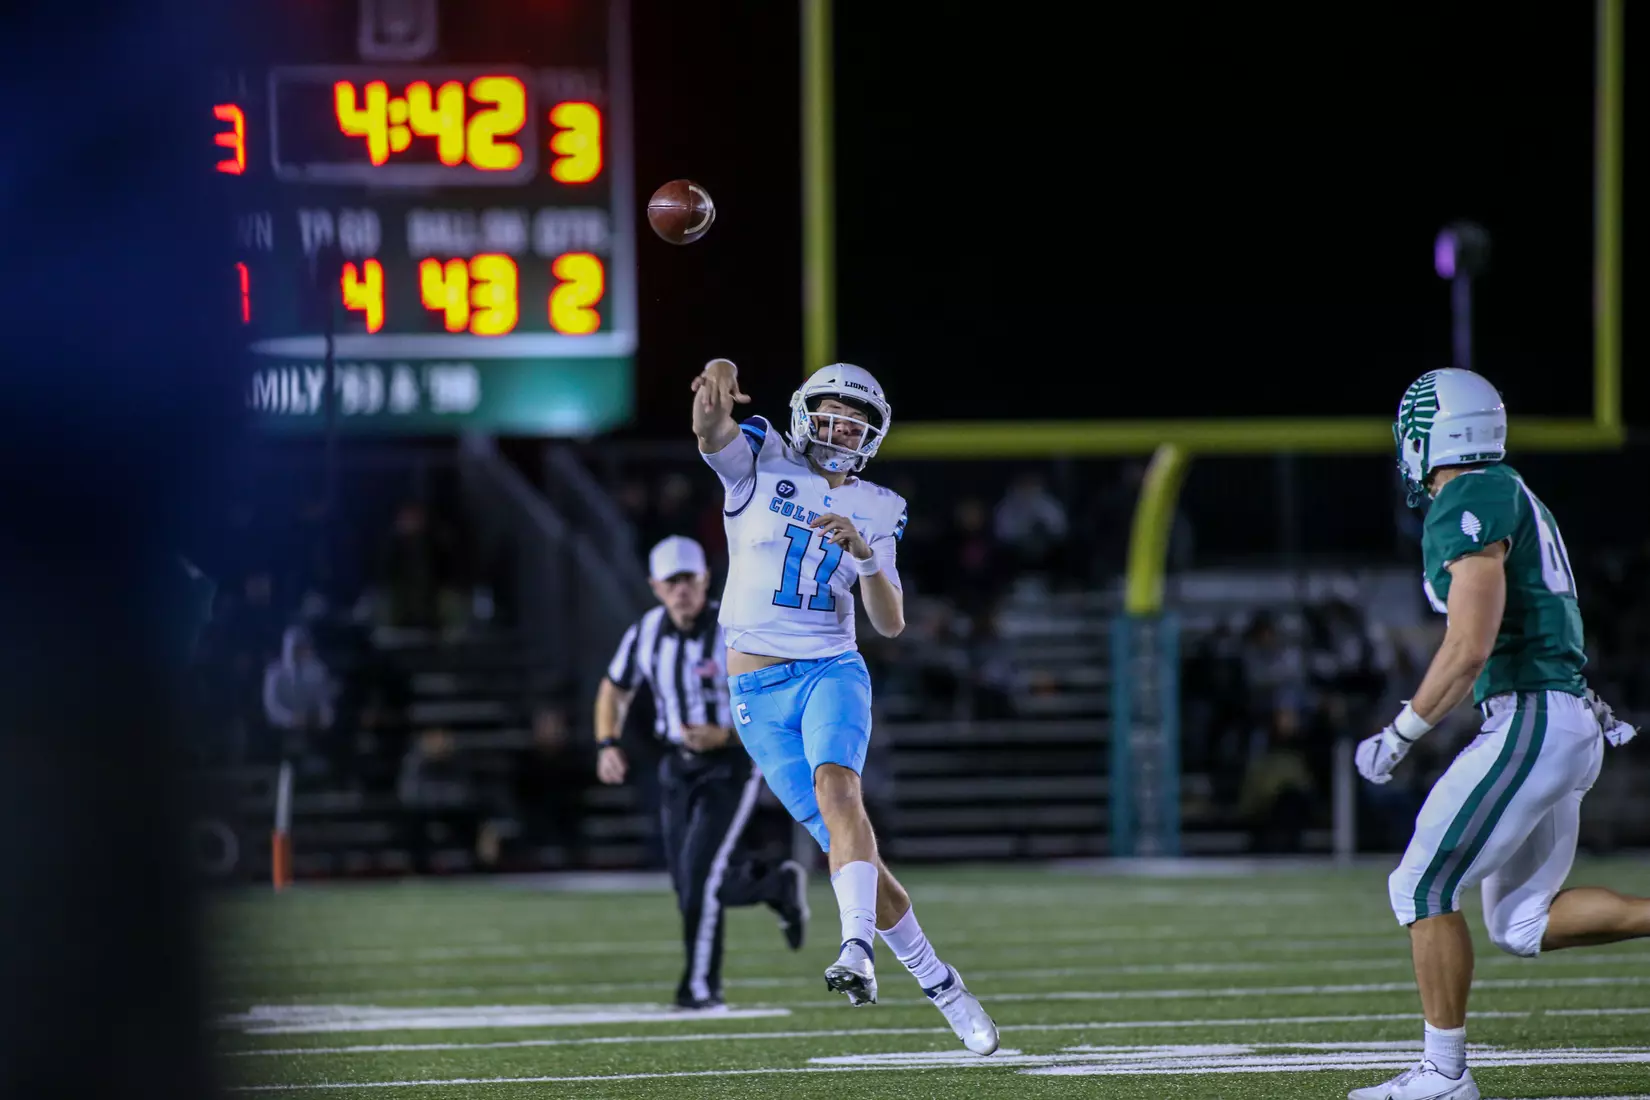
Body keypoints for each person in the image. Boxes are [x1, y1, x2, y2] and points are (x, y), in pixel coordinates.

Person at [1349, 368, 1647, 1100]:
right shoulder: (1510, 493)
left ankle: (1445, 1075)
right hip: (1558, 715)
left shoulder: (1473, 495)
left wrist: (1402, 731)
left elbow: (1471, 644)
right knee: (1522, 921)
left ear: (1430, 436)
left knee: (1420, 883)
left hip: (1536, 715)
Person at [691, 357, 999, 1056]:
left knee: (840, 791)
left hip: (831, 667)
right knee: (845, 846)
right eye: (832, 415)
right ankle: (942, 984)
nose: (841, 429)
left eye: (857, 423)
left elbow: (889, 621)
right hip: (756, 693)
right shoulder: (763, 456)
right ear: (805, 414)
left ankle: (855, 948)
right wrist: (717, 373)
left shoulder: (880, 507)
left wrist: (864, 556)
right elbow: (710, 431)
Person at [595, 534, 809, 1011]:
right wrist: (607, 741)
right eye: (671, 581)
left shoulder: (735, 628)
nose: (681, 590)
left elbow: (773, 700)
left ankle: (699, 988)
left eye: (688, 578)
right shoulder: (646, 632)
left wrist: (725, 735)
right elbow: (614, 688)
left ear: (705, 579)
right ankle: (775, 884)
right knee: (690, 883)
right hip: (677, 766)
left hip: (730, 764)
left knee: (700, 880)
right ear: (654, 586)